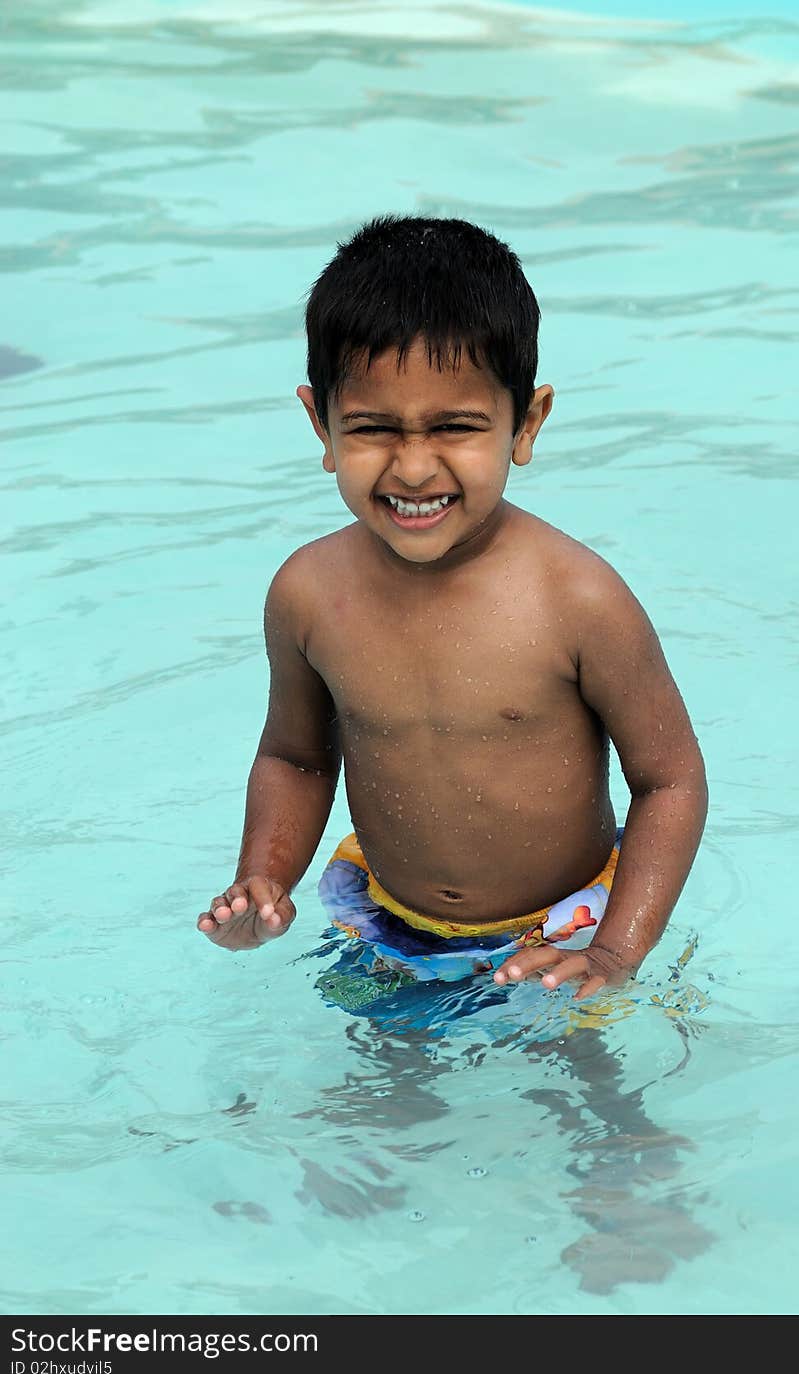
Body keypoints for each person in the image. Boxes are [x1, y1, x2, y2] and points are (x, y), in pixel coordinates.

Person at [197, 214, 708, 1007]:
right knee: (381, 1115)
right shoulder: (307, 595)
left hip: (570, 925)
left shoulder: (577, 599)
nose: (413, 466)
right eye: (371, 429)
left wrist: (615, 949)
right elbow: (295, 757)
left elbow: (669, 780)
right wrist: (263, 875)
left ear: (525, 424)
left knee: (601, 1114)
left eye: (456, 427)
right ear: (320, 425)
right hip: (391, 920)